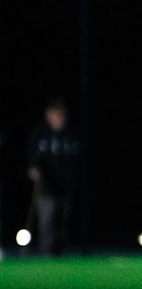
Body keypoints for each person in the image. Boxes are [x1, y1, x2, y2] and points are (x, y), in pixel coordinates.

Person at [26, 98, 81, 255]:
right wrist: (33, 169)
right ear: (48, 114)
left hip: (66, 185)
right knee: (47, 222)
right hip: (46, 186)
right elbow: (32, 155)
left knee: (63, 221)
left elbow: (78, 159)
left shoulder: (72, 134)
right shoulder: (39, 133)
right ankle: (46, 255)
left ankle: (60, 253)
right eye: (55, 113)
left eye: (62, 113)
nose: (59, 117)